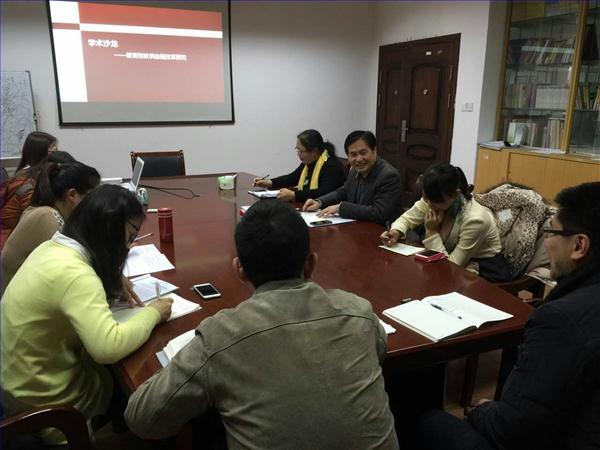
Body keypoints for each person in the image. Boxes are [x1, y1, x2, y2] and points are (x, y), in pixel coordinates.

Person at [124, 200, 399, 450]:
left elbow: (142, 418)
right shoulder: (359, 311)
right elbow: (378, 350)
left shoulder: (220, 335)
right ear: (311, 264)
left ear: (239, 269)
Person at [409, 181, 600, 450]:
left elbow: (514, 430)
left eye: (551, 232)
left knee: (424, 419)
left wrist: (479, 410)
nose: (546, 243)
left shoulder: (561, 321)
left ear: (579, 245)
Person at [1, 185, 173, 445]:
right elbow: (107, 347)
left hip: (17, 387)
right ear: (109, 231)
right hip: (50, 406)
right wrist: (153, 313)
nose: (128, 248)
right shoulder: (77, 274)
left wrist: (110, 278)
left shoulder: (52, 248)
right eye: (130, 238)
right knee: (145, 388)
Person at [380, 162, 511, 282]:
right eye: (426, 199)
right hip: (451, 265)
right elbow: (407, 218)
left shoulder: (475, 220)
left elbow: (452, 265)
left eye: (435, 202)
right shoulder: (433, 199)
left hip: (484, 273)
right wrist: (395, 232)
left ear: (455, 194)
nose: (429, 205)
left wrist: (431, 231)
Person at [1, 160, 101, 292]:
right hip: (21, 296)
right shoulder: (47, 216)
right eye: (91, 196)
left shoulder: (52, 211)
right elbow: (70, 269)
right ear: (72, 195)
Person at [303, 130, 403, 226]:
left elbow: (377, 212)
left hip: (383, 231)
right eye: (353, 155)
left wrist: (341, 208)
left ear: (374, 151)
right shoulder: (354, 170)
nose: (358, 159)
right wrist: (319, 202)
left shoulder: (389, 175)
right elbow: (344, 191)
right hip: (358, 226)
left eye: (363, 153)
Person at [252, 129, 346, 202]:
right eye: (297, 149)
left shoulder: (331, 166)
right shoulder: (309, 162)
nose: (298, 154)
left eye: (301, 151)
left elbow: (324, 192)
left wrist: (294, 195)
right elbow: (292, 178)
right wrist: (269, 182)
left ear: (314, 151)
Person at [0, 132, 59, 248]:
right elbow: (32, 221)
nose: (57, 157)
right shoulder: (30, 184)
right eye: (54, 152)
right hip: (10, 241)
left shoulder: (25, 173)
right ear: (41, 153)